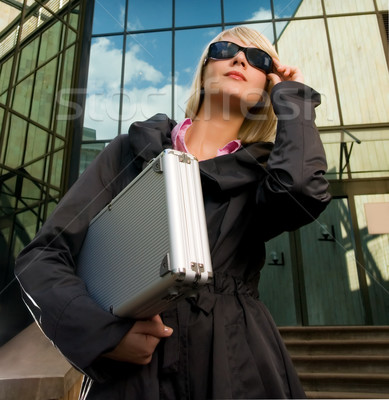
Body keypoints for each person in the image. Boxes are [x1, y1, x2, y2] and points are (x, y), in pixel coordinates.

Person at [15, 25, 331, 399]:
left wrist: (293, 97)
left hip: (238, 365)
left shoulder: (263, 177)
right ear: (202, 71)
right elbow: (43, 257)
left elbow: (300, 190)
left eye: (258, 59)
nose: (240, 58)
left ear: (267, 88)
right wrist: (104, 336)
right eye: (226, 48)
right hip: (133, 375)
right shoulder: (129, 152)